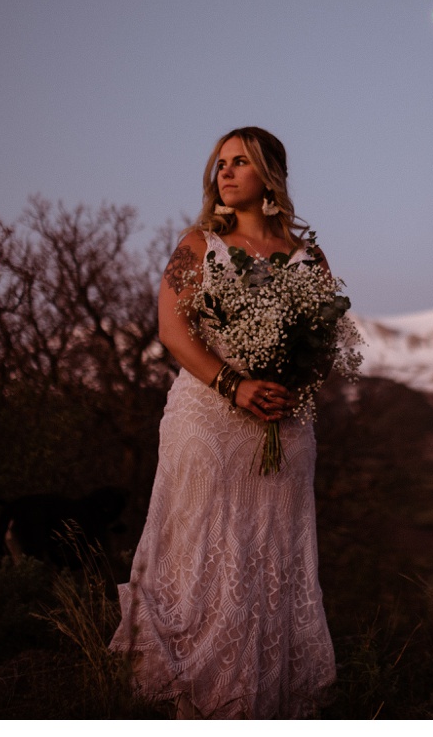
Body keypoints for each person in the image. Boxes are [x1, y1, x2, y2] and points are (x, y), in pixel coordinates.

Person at [109, 126, 335, 719]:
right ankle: (198, 704)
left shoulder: (309, 258)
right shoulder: (197, 245)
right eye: (220, 164)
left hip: (281, 428)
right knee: (202, 557)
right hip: (206, 422)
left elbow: (325, 342)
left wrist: (292, 385)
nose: (225, 174)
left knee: (269, 561)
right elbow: (172, 330)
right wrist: (235, 384)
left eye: (239, 163)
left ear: (270, 175)